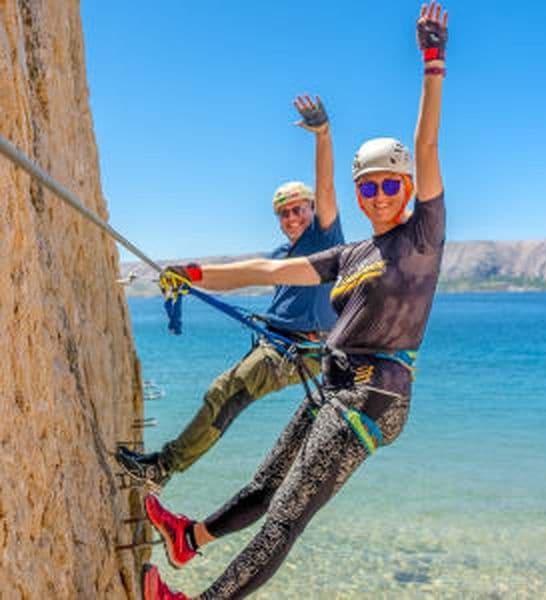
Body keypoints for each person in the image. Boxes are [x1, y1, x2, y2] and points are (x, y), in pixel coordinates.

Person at [142, 3, 448, 597]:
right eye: (370, 187)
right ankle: (189, 540)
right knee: (266, 486)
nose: (380, 195)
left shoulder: (422, 239)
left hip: (371, 397)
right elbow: (264, 267)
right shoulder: (350, 254)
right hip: (335, 388)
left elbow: (427, 142)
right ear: (361, 196)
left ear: (408, 188)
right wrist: (194, 273)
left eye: (391, 184)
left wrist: (432, 63)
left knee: (286, 517)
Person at [116, 95, 344, 487]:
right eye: (284, 213)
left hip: (297, 351)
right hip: (278, 346)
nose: (292, 217)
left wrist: (322, 135)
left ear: (311, 211)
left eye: (298, 209)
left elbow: (326, 186)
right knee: (225, 399)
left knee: (224, 392)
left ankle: (162, 467)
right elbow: (238, 276)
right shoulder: (280, 255)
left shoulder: (326, 238)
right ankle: (162, 468)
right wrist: (188, 275)